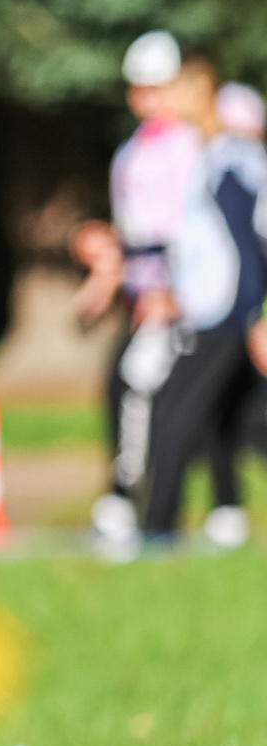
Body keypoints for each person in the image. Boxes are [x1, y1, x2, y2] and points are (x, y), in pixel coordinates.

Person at [133, 52, 266, 550]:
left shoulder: (229, 159)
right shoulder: (206, 154)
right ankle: (224, 511)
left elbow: (247, 244)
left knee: (175, 411)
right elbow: (194, 240)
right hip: (214, 306)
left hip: (225, 310)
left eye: (175, 90)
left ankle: (156, 531)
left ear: (200, 91)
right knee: (236, 419)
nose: (166, 100)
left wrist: (253, 317)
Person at [76, 30, 204, 541]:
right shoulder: (129, 154)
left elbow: (192, 234)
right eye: (140, 88)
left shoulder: (192, 147)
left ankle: (125, 498)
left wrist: (171, 291)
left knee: (139, 387)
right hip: (142, 294)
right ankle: (134, 498)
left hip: (182, 297)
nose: (148, 98)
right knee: (128, 386)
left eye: (158, 87)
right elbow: (132, 232)